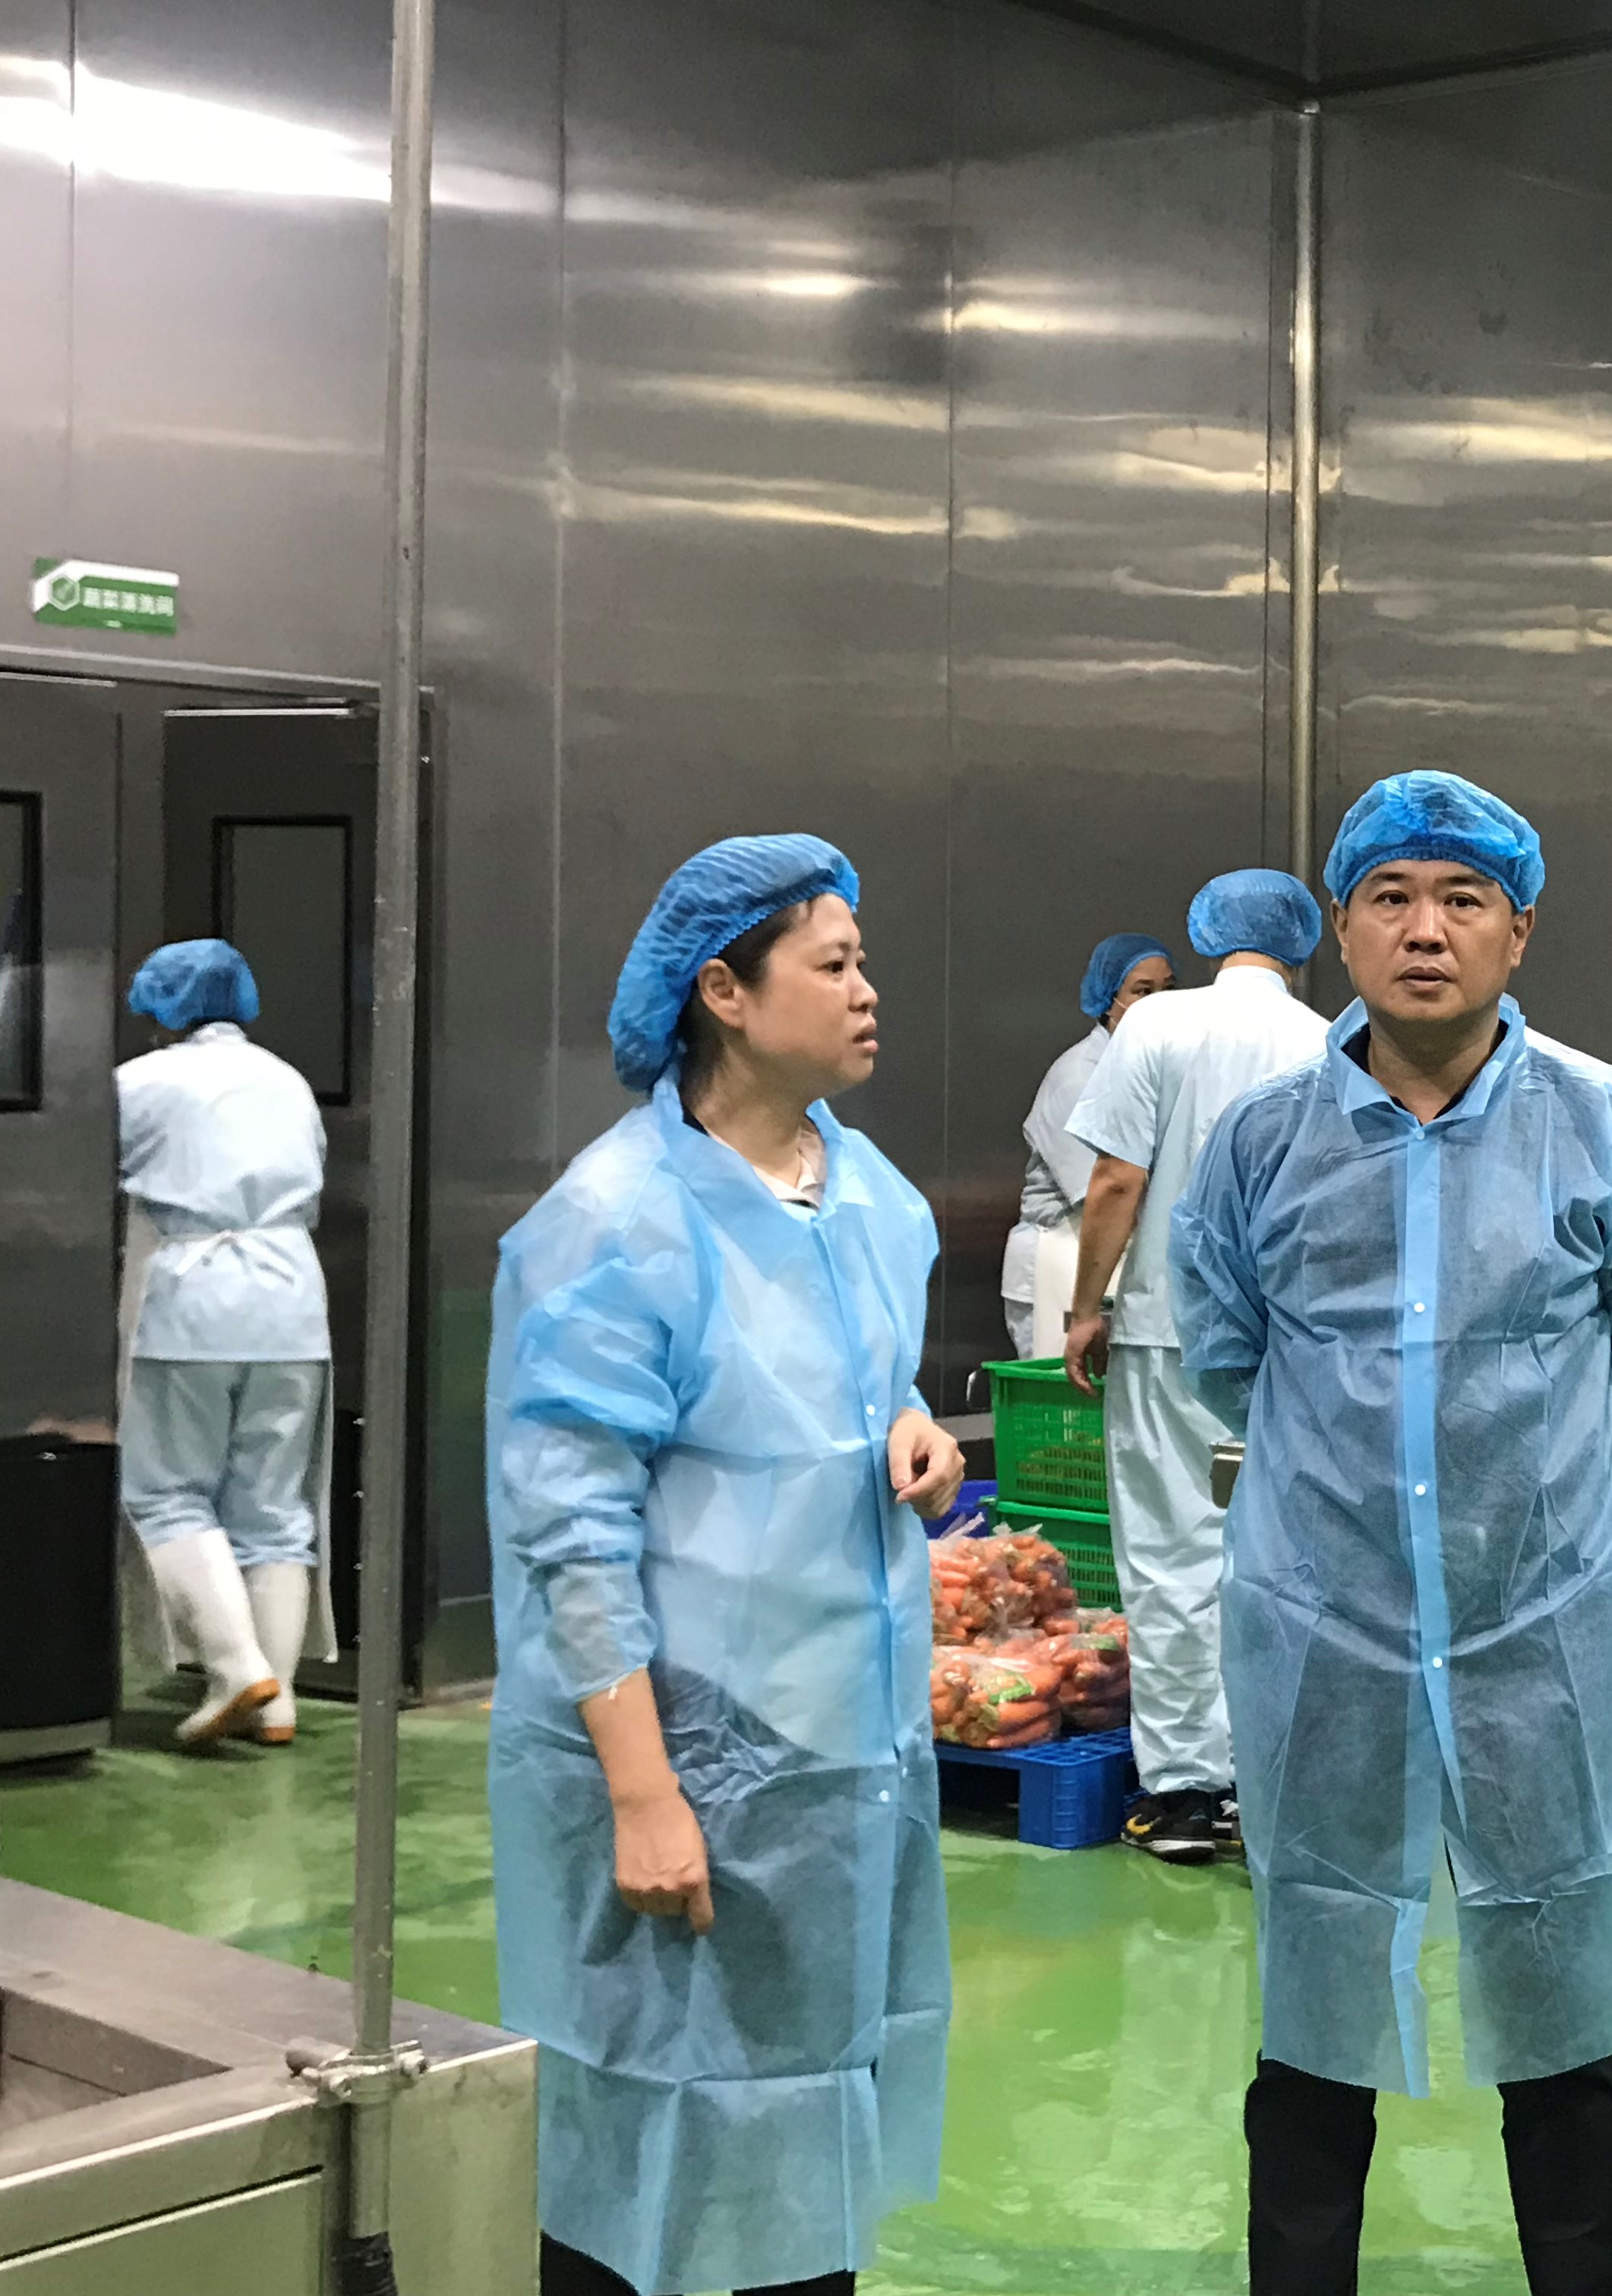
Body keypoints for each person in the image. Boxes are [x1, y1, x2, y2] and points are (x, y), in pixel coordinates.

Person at [1169, 771, 1612, 2296]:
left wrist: (1515, 1492)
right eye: (1392, 898)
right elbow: (1223, 1349)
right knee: (1314, 2011)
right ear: (1341, 929)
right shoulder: (1265, 1143)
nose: (1427, 931)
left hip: (1538, 1628)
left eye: (1463, 899)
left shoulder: (1600, 1125)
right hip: (1323, 1626)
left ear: (1517, 932)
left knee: (1561, 2013)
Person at [487, 836, 964, 2296]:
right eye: (834, 963)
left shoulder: (870, 1195)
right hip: (687, 1755)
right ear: (725, 991)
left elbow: (847, 1373)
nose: (868, 990)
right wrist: (644, 1793)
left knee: (808, 2136)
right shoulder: (615, 1221)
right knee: (649, 2142)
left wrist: (911, 1426)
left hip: (842, 1760)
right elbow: (570, 1531)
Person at [1060, 868, 1327, 1863]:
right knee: (1278, 1559)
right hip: (1289, 1346)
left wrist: (1086, 1308)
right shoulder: (1328, 1043)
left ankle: (1182, 1794)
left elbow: (1115, 1181)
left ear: (1209, 932)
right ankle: (1271, 1785)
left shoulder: (1158, 1027)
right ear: (1304, 940)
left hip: (1168, 1334)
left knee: (1171, 1556)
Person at [114, 938, 335, 1749]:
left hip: (191, 1303)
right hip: (292, 1304)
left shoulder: (141, 1083)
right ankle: (277, 1704)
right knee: (274, 1510)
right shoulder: (287, 1081)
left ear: (160, 1010)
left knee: (165, 1493)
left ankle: (235, 1666)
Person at [998, 933, 1173, 1360]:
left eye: (1167, 990)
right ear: (1108, 1001)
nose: (1159, 1005)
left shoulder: (1148, 1068)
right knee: (1062, 1397)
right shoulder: (1078, 1078)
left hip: (1109, 1262)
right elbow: (1107, 1190)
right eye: (1142, 992)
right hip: (1059, 1262)